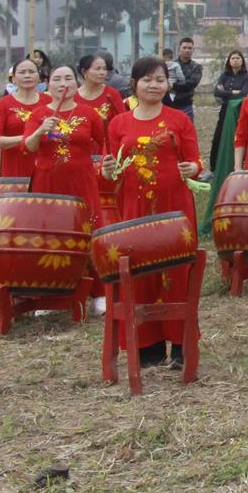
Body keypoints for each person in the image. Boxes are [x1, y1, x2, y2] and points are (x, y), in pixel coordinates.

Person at [103, 57, 202, 366]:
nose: (154, 84)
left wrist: (193, 167)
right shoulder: (119, 123)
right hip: (135, 208)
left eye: (160, 79)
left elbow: (196, 161)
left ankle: (180, 347)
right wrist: (106, 170)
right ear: (134, 83)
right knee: (140, 273)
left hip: (175, 206)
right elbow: (113, 171)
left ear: (168, 84)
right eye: (147, 79)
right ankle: (148, 347)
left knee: (175, 273)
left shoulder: (179, 120)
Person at [25, 64, 104, 230]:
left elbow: (105, 142)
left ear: (77, 84)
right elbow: (29, 146)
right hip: (48, 181)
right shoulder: (38, 114)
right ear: (48, 85)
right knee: (50, 229)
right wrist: (40, 130)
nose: (63, 84)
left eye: (68, 78)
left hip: (82, 180)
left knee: (84, 227)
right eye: (57, 79)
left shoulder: (89, 114)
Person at [0, 57, 45, 178]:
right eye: (22, 72)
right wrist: (30, 138)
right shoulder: (3, 104)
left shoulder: (49, 101)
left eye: (31, 72)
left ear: (39, 77)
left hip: (46, 167)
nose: (27, 75)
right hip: (15, 169)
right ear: (13, 78)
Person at [74, 54, 127, 128]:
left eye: (104, 69)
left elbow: (123, 122)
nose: (102, 72)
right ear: (84, 71)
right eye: (97, 69)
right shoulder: (73, 96)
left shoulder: (112, 94)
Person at [166, 37, 202, 112]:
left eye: (189, 48)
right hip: (169, 103)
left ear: (193, 49)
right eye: (184, 47)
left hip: (186, 105)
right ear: (179, 48)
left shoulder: (197, 67)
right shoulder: (170, 65)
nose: (187, 50)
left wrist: (173, 85)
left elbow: (191, 83)